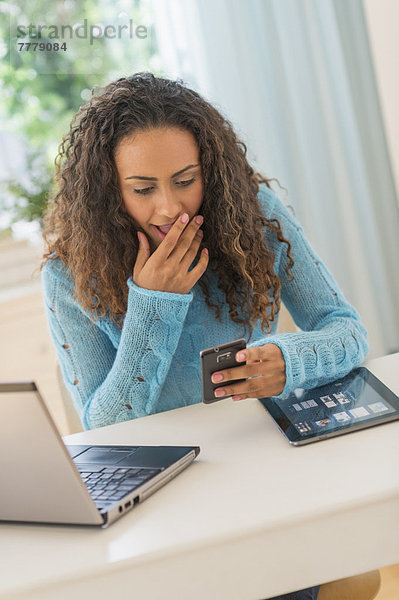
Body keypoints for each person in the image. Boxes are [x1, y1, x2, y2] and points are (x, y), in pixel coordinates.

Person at [41, 72, 368, 600]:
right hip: (159, 504)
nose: (169, 207)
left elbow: (347, 331)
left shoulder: (254, 216)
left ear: (209, 171)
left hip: (262, 474)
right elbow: (104, 430)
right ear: (109, 191)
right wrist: (155, 303)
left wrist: (290, 357)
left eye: (185, 180)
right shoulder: (69, 274)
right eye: (142, 189)